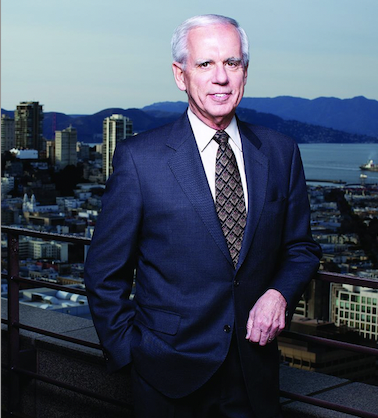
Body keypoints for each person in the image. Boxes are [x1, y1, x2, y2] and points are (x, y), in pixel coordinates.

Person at [84, 14, 321, 418]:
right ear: (181, 75)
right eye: (205, 64)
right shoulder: (141, 159)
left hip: (253, 373)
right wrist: (131, 356)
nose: (221, 78)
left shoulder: (281, 151)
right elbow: (104, 273)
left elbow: (301, 248)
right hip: (166, 377)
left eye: (232, 63)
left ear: (245, 72)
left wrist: (279, 293)